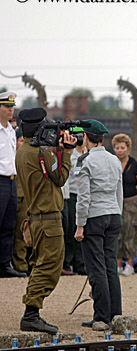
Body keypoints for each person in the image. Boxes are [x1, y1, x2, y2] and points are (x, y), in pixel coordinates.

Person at [17, 107, 77, 333]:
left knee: (37, 265)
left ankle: (31, 312)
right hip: (48, 219)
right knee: (49, 267)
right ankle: (31, 313)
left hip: (35, 218)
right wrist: (67, 153)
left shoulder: (23, 151)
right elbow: (60, 177)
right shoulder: (40, 153)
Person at [74, 120, 122, 331]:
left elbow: (83, 196)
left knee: (96, 268)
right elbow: (118, 192)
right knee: (111, 265)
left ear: (85, 137)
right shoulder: (114, 160)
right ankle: (115, 314)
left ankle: (101, 316)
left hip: (94, 216)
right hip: (113, 213)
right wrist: (117, 213)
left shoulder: (85, 161)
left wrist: (79, 224)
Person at [0, 92, 26, 278]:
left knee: (9, 224)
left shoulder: (10, 130)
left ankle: (4, 263)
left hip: (11, 180)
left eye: (12, 106)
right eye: (7, 106)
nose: (11, 109)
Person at [113, 133, 137, 276]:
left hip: (131, 202)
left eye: (122, 147)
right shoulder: (112, 163)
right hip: (115, 202)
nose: (120, 150)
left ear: (128, 148)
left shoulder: (135, 165)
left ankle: (130, 264)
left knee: (130, 232)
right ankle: (118, 264)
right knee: (117, 232)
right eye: (117, 148)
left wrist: (135, 199)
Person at [64, 126, 87, 276]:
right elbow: (74, 174)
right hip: (73, 194)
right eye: (75, 136)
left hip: (84, 195)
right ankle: (68, 262)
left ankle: (81, 263)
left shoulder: (88, 154)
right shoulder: (70, 155)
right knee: (71, 230)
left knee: (83, 230)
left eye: (81, 135)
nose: (78, 138)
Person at [12, 129, 30, 274]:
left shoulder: (27, 158)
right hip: (11, 197)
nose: (22, 144)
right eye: (20, 141)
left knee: (21, 233)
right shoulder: (10, 157)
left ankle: (21, 266)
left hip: (24, 199)